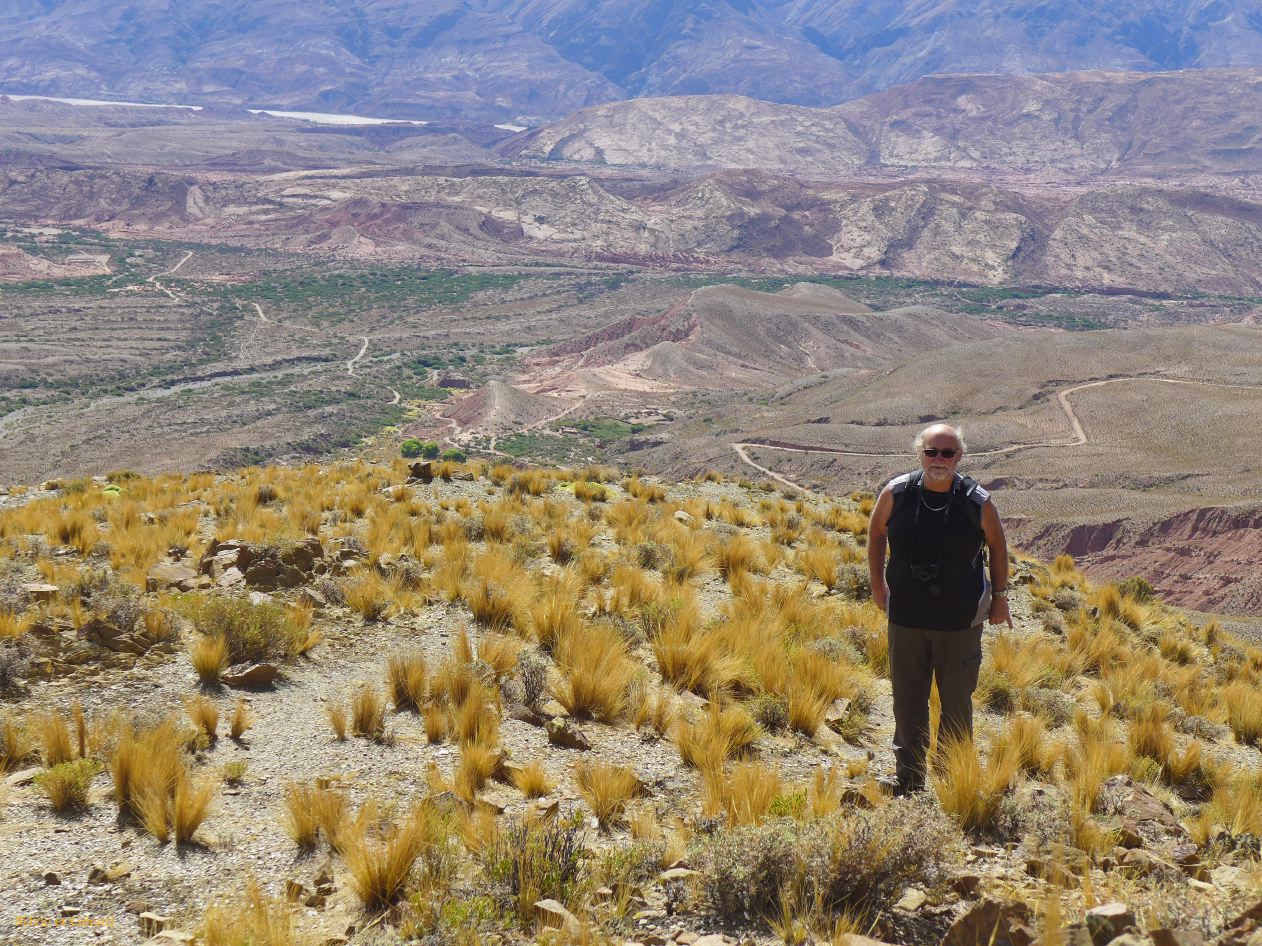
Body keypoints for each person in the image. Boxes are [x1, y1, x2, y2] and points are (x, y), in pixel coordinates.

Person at [867, 423, 1012, 796]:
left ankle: (953, 781)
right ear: (920, 452)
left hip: (960, 622)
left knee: (956, 703)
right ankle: (909, 779)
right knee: (907, 699)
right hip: (906, 618)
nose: (939, 460)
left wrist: (1000, 597)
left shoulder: (976, 502)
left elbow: (998, 546)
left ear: (960, 456)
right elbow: (876, 533)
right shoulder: (897, 493)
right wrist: (877, 585)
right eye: (932, 452)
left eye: (947, 453)